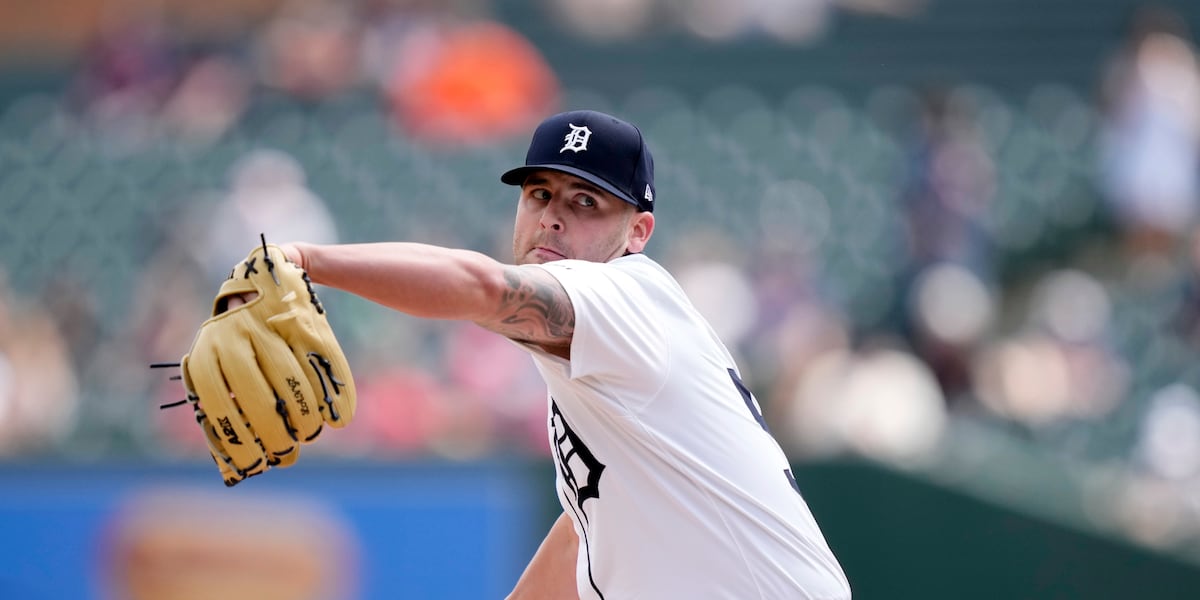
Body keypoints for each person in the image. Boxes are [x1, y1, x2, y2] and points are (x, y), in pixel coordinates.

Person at [273, 110, 850, 599]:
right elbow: (590, 522)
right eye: (539, 194)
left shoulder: (629, 296)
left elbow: (483, 287)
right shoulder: (602, 361)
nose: (552, 214)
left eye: (586, 201)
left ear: (637, 232)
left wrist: (303, 259)